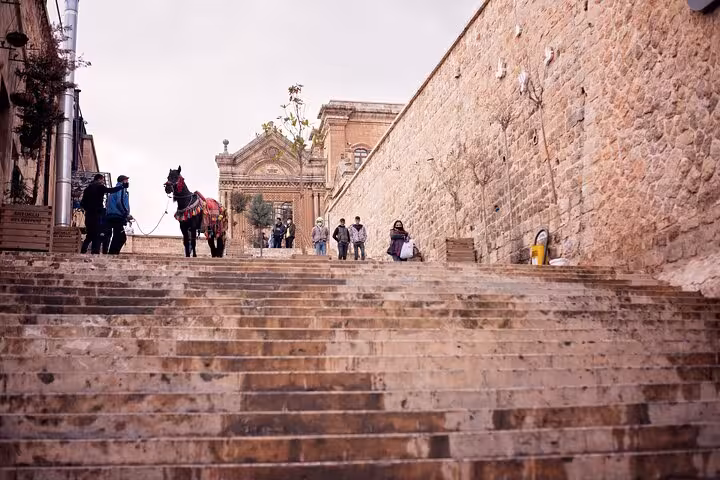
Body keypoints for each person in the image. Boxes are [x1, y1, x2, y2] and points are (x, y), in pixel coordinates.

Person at [80, 174, 123, 254]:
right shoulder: (100, 187)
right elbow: (111, 190)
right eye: (102, 180)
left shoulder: (87, 189)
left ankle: (83, 250)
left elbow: (82, 203)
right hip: (97, 214)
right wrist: (121, 187)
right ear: (99, 179)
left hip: (89, 214)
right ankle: (94, 252)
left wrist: (87, 209)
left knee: (90, 233)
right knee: (97, 233)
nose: (103, 182)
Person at [104, 175, 132, 255]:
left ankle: (112, 253)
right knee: (121, 237)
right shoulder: (121, 188)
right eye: (126, 180)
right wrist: (126, 213)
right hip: (117, 216)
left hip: (111, 215)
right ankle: (113, 254)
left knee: (116, 235)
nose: (127, 182)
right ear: (123, 181)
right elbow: (120, 202)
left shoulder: (114, 190)